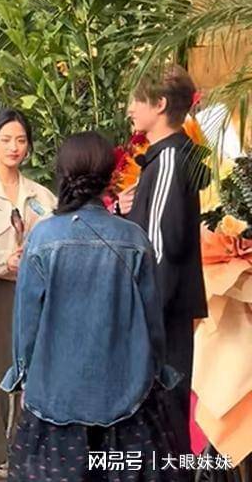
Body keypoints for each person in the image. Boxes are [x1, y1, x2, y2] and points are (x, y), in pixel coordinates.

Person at [3, 131, 179, 482]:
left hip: (55, 400)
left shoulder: (42, 238)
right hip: (128, 398)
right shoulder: (133, 238)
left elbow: (26, 323)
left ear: (62, 173)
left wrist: (22, 377)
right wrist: (158, 372)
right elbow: (152, 322)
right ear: (111, 176)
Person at [0, 108, 56, 482]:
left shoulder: (42, 196)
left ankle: (24, 459)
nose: (14, 147)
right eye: (5, 139)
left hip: (35, 296)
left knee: (32, 379)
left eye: (20, 140)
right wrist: (3, 260)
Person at [126, 64, 209, 455]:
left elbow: (160, 245)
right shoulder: (173, 157)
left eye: (136, 99)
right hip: (168, 313)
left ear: (159, 104)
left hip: (159, 316)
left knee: (161, 417)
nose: (130, 108)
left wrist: (144, 316)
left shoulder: (170, 160)